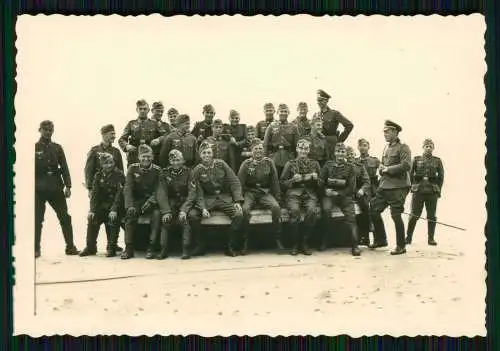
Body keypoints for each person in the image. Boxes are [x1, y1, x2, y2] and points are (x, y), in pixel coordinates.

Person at [188, 141, 244, 257]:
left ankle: (230, 246)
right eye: (204, 153)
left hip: (224, 198)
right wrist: (202, 208)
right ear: (200, 155)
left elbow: (234, 182)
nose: (207, 155)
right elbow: (198, 192)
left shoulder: (221, 164)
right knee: (193, 215)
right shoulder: (197, 170)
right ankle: (200, 245)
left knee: (239, 215)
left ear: (212, 153)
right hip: (208, 200)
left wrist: (237, 201)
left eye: (209, 152)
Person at [35, 120, 79, 258]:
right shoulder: (34, 147)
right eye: (45, 129)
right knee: (37, 219)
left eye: (50, 130)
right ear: (40, 130)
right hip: (38, 188)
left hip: (56, 187)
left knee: (65, 217)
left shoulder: (57, 148)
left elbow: (64, 167)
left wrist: (68, 185)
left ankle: (70, 247)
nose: (48, 132)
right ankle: (35, 249)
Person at [369, 120, 412, 255]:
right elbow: (384, 165)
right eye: (384, 132)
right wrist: (382, 168)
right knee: (374, 209)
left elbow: (406, 165)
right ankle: (381, 239)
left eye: (387, 132)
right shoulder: (386, 147)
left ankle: (401, 246)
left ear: (395, 132)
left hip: (398, 186)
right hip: (384, 185)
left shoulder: (403, 147)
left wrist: (387, 169)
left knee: (396, 215)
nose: (385, 134)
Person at [238, 138, 284, 254]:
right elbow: (240, 183)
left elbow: (274, 182)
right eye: (255, 149)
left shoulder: (269, 162)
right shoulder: (246, 164)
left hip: (264, 192)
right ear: (251, 151)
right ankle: (245, 240)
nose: (258, 151)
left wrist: (278, 198)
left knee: (276, 208)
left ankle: (277, 238)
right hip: (250, 192)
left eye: (260, 148)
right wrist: (240, 199)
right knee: (245, 210)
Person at [83, 124, 124, 252]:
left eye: (114, 133)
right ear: (104, 134)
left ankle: (112, 243)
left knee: (111, 217)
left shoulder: (116, 152)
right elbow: (88, 170)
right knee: (96, 214)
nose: (114, 136)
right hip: (99, 189)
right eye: (111, 134)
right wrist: (90, 188)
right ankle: (91, 247)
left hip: (114, 190)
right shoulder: (95, 151)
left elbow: (120, 171)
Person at [280, 139, 322, 256]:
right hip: (294, 193)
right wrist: (293, 180)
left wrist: (316, 178)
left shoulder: (315, 164)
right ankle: (295, 243)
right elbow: (282, 183)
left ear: (309, 150)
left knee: (311, 212)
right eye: (301, 148)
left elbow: (321, 183)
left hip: (309, 193)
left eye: (306, 148)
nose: (303, 151)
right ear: (297, 149)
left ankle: (304, 242)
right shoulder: (290, 164)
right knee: (294, 211)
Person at [121, 145, 162, 259]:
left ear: (152, 157)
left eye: (148, 156)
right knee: (130, 215)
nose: (146, 159)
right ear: (139, 157)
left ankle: (151, 246)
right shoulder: (132, 169)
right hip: (138, 201)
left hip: (152, 201)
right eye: (143, 156)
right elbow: (127, 188)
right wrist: (129, 205)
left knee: (157, 215)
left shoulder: (157, 170)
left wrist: (151, 201)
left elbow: (159, 189)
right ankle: (129, 248)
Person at [80, 153, 125, 257]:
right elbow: (95, 194)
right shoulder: (98, 175)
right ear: (101, 164)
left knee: (113, 219)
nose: (109, 165)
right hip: (103, 206)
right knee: (92, 218)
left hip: (116, 206)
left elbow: (120, 194)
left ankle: (111, 247)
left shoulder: (119, 175)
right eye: (106, 163)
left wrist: (114, 209)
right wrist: (92, 210)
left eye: (111, 162)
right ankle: (90, 247)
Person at [320, 143, 361, 256]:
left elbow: (352, 187)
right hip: (329, 195)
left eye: (342, 152)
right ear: (334, 153)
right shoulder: (328, 165)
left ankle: (355, 245)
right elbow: (320, 181)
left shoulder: (351, 168)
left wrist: (338, 193)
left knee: (351, 218)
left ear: (345, 154)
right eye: (338, 151)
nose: (340, 154)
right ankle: (324, 240)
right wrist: (325, 191)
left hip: (344, 196)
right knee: (326, 211)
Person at [156, 150, 196, 259]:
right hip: (171, 203)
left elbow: (192, 193)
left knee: (184, 221)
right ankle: (163, 250)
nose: (176, 163)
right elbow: (161, 193)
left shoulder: (189, 172)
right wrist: (166, 211)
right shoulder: (164, 173)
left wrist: (184, 210)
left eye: (178, 160)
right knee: (166, 221)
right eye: (173, 160)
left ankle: (186, 250)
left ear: (183, 160)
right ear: (169, 161)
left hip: (185, 202)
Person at [405, 139, 445, 246]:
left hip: (432, 192)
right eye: (426, 146)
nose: (428, 148)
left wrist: (438, 190)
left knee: (431, 216)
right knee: (414, 215)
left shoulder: (437, 161)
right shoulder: (416, 159)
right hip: (418, 191)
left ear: (433, 148)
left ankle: (431, 238)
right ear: (423, 147)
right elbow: (409, 174)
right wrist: (412, 187)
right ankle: (408, 237)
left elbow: (441, 177)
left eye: (430, 146)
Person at [118, 99, 163, 167]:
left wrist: (158, 139)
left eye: (144, 109)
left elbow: (165, 136)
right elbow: (121, 139)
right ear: (137, 110)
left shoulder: (154, 123)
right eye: (140, 109)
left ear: (148, 110)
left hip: (150, 159)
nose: (142, 111)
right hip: (135, 158)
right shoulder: (131, 124)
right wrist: (126, 146)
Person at [313, 89, 354, 158]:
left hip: (330, 146)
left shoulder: (334, 114)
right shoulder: (316, 115)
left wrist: (339, 141)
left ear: (326, 101)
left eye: (321, 100)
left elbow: (349, 125)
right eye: (318, 101)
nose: (318, 102)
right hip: (319, 148)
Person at [356, 138, 381, 245]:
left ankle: (377, 239)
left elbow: (383, 173)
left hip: (373, 189)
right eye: (361, 145)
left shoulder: (375, 160)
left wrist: (379, 186)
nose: (363, 148)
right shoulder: (355, 161)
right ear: (358, 147)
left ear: (368, 147)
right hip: (361, 188)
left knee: (374, 211)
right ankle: (365, 237)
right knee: (362, 212)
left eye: (365, 145)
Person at [263, 103, 299, 177]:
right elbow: (265, 144)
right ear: (277, 112)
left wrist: (296, 161)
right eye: (281, 111)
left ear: (288, 113)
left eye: (285, 111)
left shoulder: (293, 127)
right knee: (274, 179)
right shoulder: (271, 126)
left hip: (288, 157)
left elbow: (297, 145)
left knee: (287, 180)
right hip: (274, 157)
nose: (283, 113)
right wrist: (265, 160)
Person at [346, 146, 371, 249]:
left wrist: (362, 190)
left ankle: (366, 236)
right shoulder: (342, 166)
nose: (350, 157)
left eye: (352, 154)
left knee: (365, 208)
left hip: (358, 193)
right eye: (348, 155)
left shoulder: (359, 166)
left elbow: (367, 181)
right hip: (346, 193)